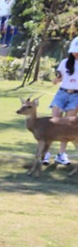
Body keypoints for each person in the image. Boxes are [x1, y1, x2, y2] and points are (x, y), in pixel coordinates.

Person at [45, 36, 78, 166]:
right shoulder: (65, 62)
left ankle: (61, 154)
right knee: (54, 123)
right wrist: (56, 80)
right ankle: (46, 153)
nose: (76, 53)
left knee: (67, 127)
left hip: (76, 96)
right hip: (62, 94)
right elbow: (59, 77)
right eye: (75, 50)